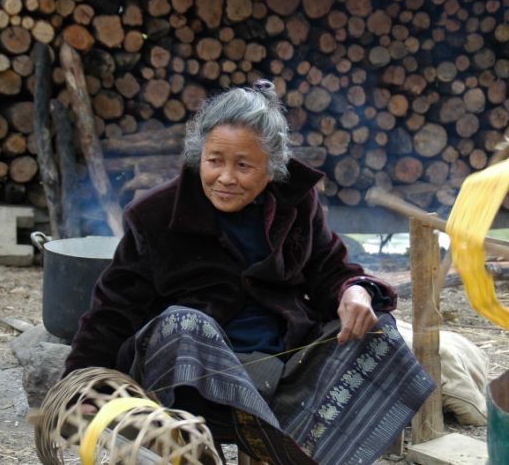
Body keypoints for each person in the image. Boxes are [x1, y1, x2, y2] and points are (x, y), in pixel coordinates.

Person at [64, 80, 435, 464]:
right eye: (214, 161)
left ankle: (286, 450)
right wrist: (82, 387)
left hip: (282, 373)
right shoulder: (155, 215)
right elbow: (112, 310)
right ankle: (211, 449)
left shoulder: (295, 204)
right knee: (182, 324)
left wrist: (354, 290)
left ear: (272, 169)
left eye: (243, 165)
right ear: (199, 156)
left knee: (376, 329)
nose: (225, 177)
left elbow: (331, 269)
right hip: (193, 379)